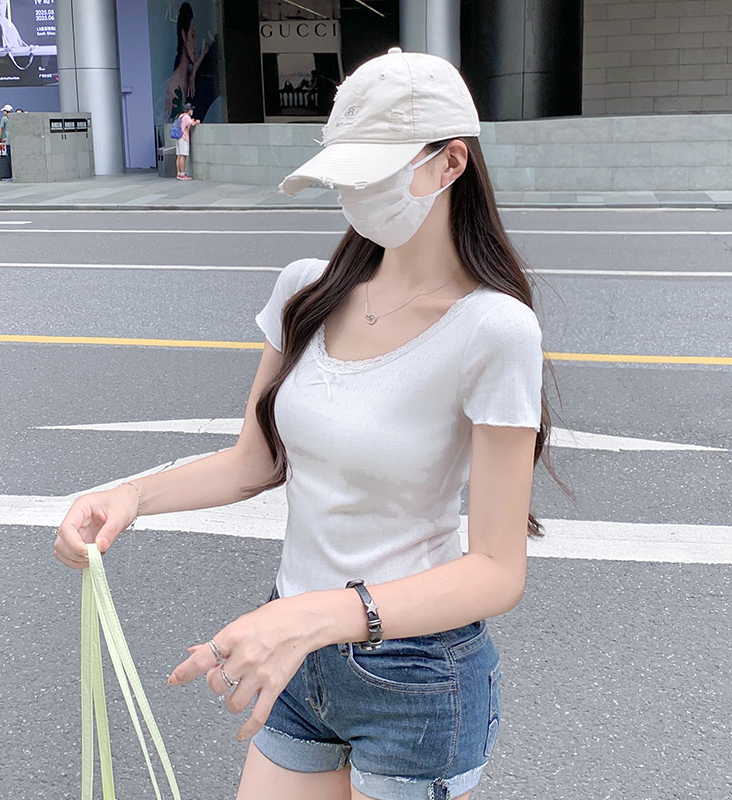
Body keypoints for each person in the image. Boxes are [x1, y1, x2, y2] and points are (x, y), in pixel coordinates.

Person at [55, 47, 556, 800]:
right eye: (346, 176)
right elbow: (254, 461)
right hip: (294, 645)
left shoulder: (494, 329)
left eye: (374, 175)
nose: (356, 195)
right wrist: (127, 496)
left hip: (415, 670)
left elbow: (496, 570)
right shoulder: (305, 293)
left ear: (450, 163)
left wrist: (315, 619)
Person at [175, 103, 200, 180]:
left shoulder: (181, 116)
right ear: (188, 110)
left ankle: (179, 173)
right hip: (184, 137)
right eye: (191, 109)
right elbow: (193, 124)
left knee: (179, 155)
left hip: (178, 137)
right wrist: (197, 122)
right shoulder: (186, 117)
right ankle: (182, 174)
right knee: (183, 156)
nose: (192, 111)